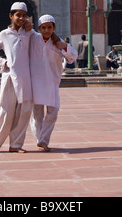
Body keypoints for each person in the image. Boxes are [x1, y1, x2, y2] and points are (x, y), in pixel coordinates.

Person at [0, 2, 34, 154]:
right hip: (10, 77)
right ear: (11, 16)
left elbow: (43, 40)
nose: (21, 18)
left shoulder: (30, 33)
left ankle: (16, 144)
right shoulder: (4, 34)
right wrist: (4, 62)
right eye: (18, 15)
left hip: (26, 78)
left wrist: (31, 26)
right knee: (5, 110)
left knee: (24, 112)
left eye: (24, 15)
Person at [30, 14, 78, 152]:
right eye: (43, 28)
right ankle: (42, 140)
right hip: (36, 82)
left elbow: (72, 57)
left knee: (53, 112)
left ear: (54, 27)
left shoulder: (58, 42)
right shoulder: (33, 39)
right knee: (36, 115)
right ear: (39, 28)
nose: (46, 30)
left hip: (51, 82)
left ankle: (42, 139)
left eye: (49, 27)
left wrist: (65, 46)